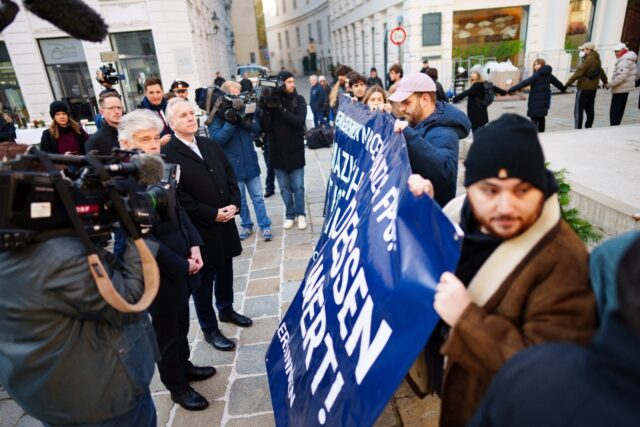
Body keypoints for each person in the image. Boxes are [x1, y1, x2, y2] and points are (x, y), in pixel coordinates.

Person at [407, 114, 597, 427]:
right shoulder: (459, 211)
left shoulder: (564, 259)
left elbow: (548, 377)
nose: (506, 207)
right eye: (491, 190)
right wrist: (424, 210)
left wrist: (467, 319)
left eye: (522, 190)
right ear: (471, 187)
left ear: (541, 186)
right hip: (457, 385)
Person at [469, 232, 640, 427]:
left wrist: (466, 319)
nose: (505, 204)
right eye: (489, 197)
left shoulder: (570, 256)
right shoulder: (612, 254)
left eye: (521, 197)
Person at [0, 236, 160, 426]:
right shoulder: (57, 255)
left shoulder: (17, 247)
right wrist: (139, 231)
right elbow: (129, 300)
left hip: (54, 394)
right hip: (102, 401)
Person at [118, 109, 215, 411]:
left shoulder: (160, 167)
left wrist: (195, 245)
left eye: (154, 138)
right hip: (158, 270)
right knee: (166, 334)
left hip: (183, 259)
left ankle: (184, 366)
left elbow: (179, 211)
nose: (151, 145)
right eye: (143, 139)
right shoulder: (122, 183)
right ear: (125, 143)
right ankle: (176, 386)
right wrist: (180, 264)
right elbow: (140, 240)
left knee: (181, 323)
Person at [161, 98, 252, 352]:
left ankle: (226, 309)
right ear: (171, 123)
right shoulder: (168, 155)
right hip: (201, 230)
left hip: (226, 223)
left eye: (191, 113)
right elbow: (178, 198)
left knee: (226, 272)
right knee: (203, 283)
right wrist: (212, 214)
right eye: (183, 115)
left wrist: (235, 204)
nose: (190, 118)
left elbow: (229, 174)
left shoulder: (209, 144)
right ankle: (209, 328)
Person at [390, 73, 471, 207]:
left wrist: (408, 135)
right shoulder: (418, 121)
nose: (401, 108)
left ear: (425, 99)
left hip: (431, 214)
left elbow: (445, 172)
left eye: (406, 102)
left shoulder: (444, 132)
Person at [209, 81, 273, 241]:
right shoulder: (217, 113)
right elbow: (217, 139)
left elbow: (256, 128)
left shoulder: (244, 106)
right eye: (236, 94)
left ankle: (265, 225)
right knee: (241, 201)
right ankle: (246, 225)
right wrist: (230, 122)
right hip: (232, 165)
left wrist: (246, 120)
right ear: (226, 95)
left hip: (249, 161)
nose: (239, 97)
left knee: (258, 197)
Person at [259, 71, 307, 230]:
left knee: (298, 186)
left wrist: (280, 108)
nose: (293, 84)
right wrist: (265, 107)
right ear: (280, 84)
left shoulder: (298, 100)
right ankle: (290, 214)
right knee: (285, 188)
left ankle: (301, 214)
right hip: (277, 152)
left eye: (293, 81)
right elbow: (264, 127)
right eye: (289, 82)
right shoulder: (272, 103)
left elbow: (298, 122)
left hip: (296, 150)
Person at [507, 58, 565, 132]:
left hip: (535, 101)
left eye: (538, 64)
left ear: (542, 64)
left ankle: (534, 136)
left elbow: (525, 83)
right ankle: (542, 135)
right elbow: (557, 83)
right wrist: (563, 88)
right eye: (534, 64)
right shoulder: (549, 74)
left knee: (534, 119)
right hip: (544, 102)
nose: (536, 66)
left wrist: (512, 89)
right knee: (541, 118)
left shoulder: (537, 75)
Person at [564, 42, 608, 129]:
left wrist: (567, 84)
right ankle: (588, 127)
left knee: (578, 110)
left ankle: (578, 129)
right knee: (590, 109)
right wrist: (605, 81)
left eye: (583, 49)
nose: (582, 51)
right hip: (593, 89)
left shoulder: (588, 60)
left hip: (583, 88)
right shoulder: (597, 59)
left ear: (588, 50)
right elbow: (601, 71)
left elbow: (578, 72)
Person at [452, 65, 507, 131]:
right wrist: (504, 92)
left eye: (474, 73)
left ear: (479, 75)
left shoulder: (477, 85)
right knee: (482, 129)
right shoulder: (484, 83)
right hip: (482, 109)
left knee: (476, 129)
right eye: (471, 72)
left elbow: (466, 93)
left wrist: (455, 99)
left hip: (476, 111)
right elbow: (495, 88)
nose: (472, 74)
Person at [604, 42, 638, 126]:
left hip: (620, 89)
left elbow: (621, 77)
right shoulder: (630, 59)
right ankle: (615, 125)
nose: (616, 53)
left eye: (618, 51)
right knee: (619, 110)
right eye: (615, 51)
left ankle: (613, 127)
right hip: (624, 89)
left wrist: (609, 84)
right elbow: (636, 75)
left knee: (615, 111)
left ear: (623, 50)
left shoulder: (624, 61)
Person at [138, 77, 172, 144]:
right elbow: (140, 142)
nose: (155, 96)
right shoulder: (140, 114)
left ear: (162, 92)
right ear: (145, 93)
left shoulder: (170, 107)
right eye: (151, 93)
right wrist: (159, 142)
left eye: (158, 92)